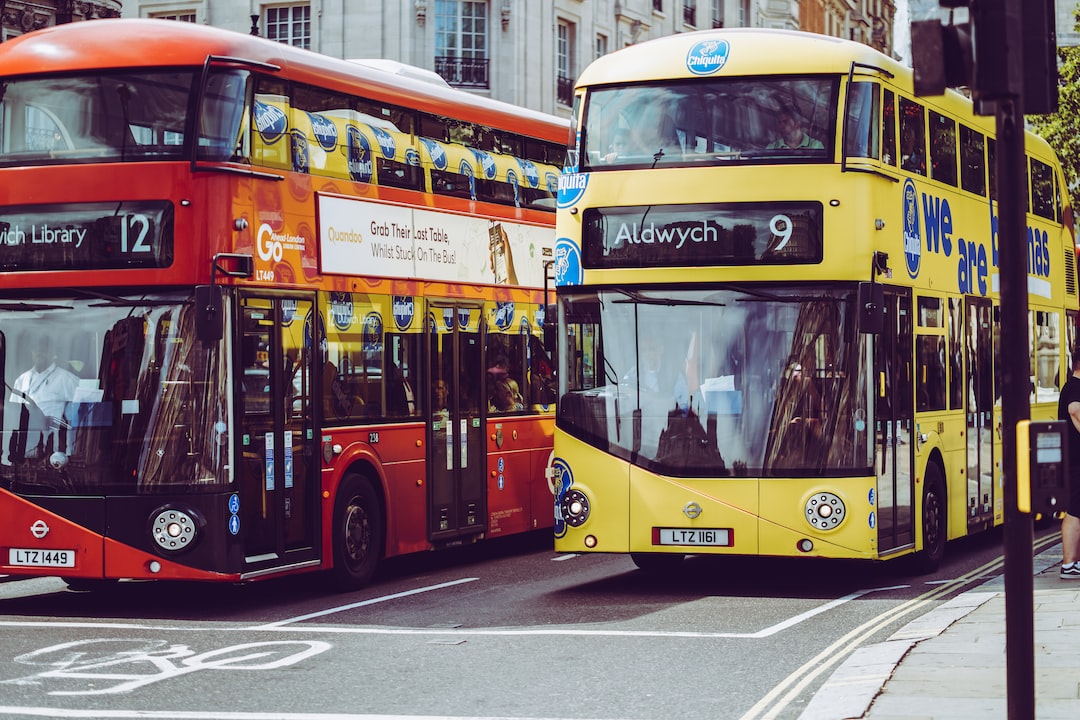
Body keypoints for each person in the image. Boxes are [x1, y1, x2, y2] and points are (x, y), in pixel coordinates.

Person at [8, 336, 79, 459]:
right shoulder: (22, 380)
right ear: (32, 352)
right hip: (27, 442)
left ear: (53, 353)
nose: (40, 353)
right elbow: (14, 417)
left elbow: (79, 415)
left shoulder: (68, 380)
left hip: (57, 440)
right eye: (36, 349)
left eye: (44, 350)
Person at [1057, 351, 1080, 579]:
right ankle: (1069, 564)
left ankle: (1074, 561)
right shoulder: (1075, 388)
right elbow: (1075, 410)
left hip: (1074, 460)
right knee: (1075, 510)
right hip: (1076, 461)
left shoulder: (1071, 386)